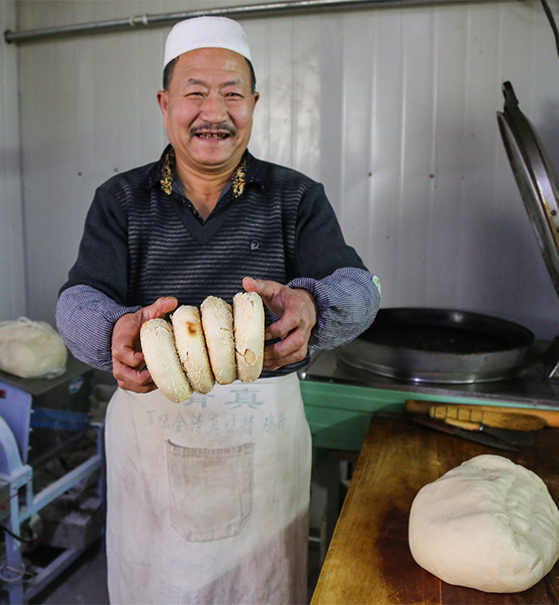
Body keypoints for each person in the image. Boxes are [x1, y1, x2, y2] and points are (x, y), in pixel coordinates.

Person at [56, 16, 380, 604]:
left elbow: (360, 286)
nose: (215, 111)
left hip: (263, 438)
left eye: (232, 93)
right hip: (151, 445)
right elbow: (78, 299)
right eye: (195, 93)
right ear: (164, 103)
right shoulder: (120, 200)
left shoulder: (296, 197)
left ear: (254, 103)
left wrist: (314, 307)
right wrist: (111, 334)